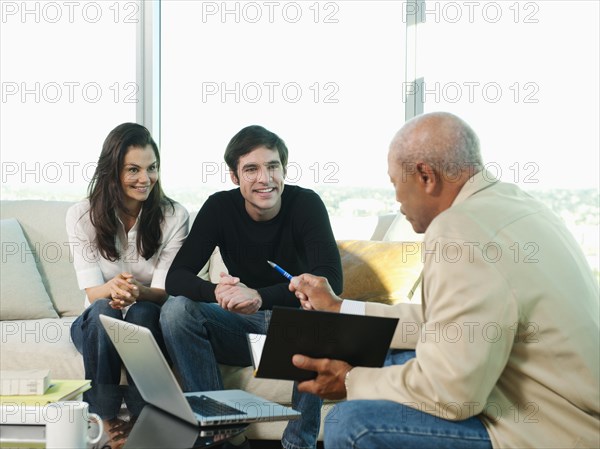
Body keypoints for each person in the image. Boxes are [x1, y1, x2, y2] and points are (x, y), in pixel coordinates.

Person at [288, 112, 600, 449]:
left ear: (425, 176)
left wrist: (350, 381)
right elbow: (442, 322)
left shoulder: (458, 229)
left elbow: (451, 393)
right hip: (571, 411)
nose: (397, 200)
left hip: (553, 431)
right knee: (391, 359)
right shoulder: (520, 206)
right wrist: (339, 308)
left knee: (350, 423)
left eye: (396, 184)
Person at [160, 125, 343, 449]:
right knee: (176, 311)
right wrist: (216, 292)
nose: (264, 178)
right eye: (251, 169)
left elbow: (331, 280)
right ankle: (220, 434)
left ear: (284, 170)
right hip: (244, 329)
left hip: (294, 331)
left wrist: (259, 296)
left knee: (315, 316)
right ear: (234, 176)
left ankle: (297, 444)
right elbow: (177, 277)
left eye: (272, 166)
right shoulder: (219, 208)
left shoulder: (305, 204)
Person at [67, 123, 189, 409]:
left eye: (152, 168)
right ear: (112, 172)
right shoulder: (81, 215)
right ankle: (104, 419)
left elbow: (162, 292)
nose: (145, 179)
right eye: (133, 169)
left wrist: (137, 292)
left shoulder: (175, 216)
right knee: (101, 310)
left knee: (144, 311)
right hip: (97, 325)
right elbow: (93, 292)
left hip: (147, 321)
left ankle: (142, 417)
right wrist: (113, 289)